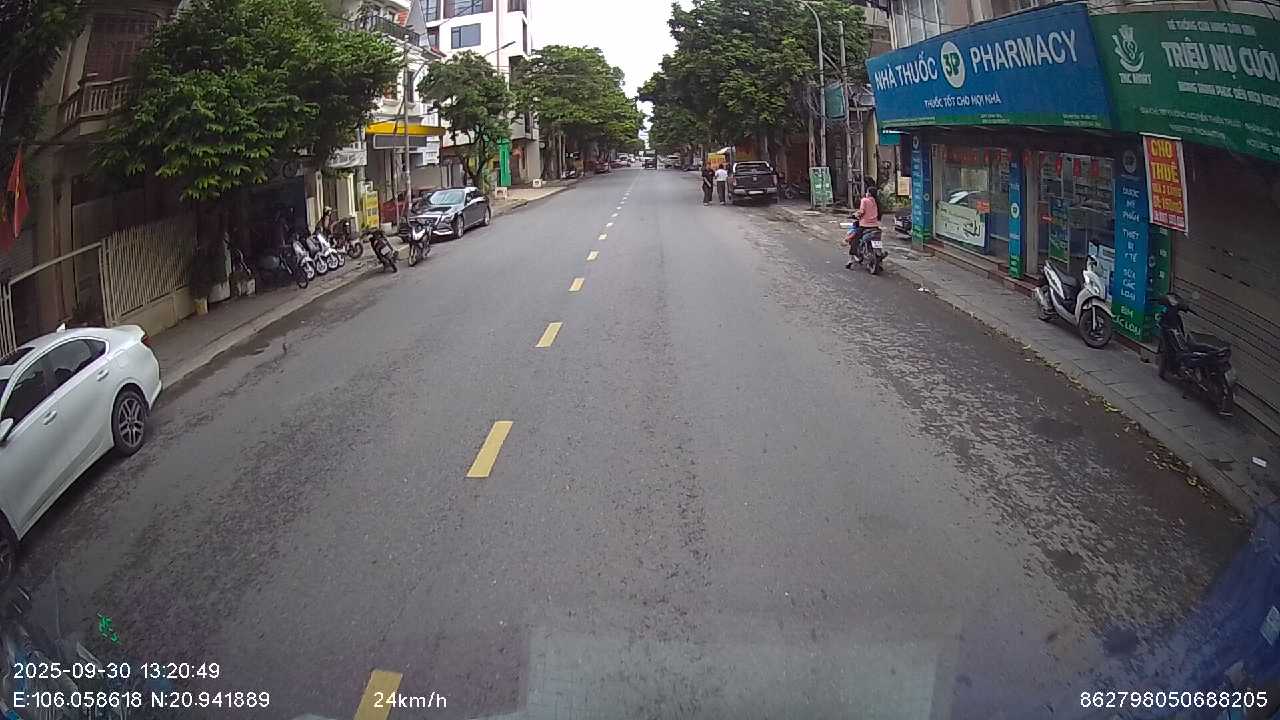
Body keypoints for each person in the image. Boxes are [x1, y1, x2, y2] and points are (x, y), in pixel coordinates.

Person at [846, 186, 881, 269]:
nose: (866, 193)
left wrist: (854, 215)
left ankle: (852, 259)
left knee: (854, 239)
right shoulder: (876, 202)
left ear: (869, 193)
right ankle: (880, 262)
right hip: (875, 226)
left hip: (865, 225)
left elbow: (861, 212)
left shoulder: (864, 200)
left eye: (867, 192)